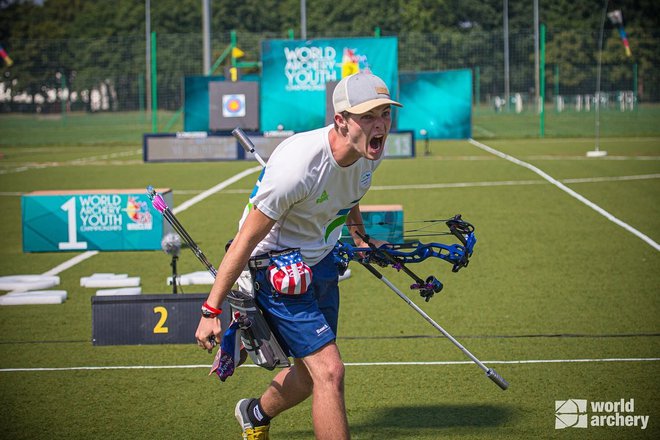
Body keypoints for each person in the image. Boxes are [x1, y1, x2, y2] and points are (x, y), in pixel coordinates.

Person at [195, 71, 402, 440]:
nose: (380, 125)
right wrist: (211, 310)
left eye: (385, 114)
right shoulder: (297, 167)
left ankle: (254, 413)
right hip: (275, 266)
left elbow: (351, 194)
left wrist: (359, 236)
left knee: (310, 376)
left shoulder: (369, 152)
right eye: (369, 116)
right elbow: (244, 240)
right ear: (341, 120)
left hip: (320, 263)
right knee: (330, 371)